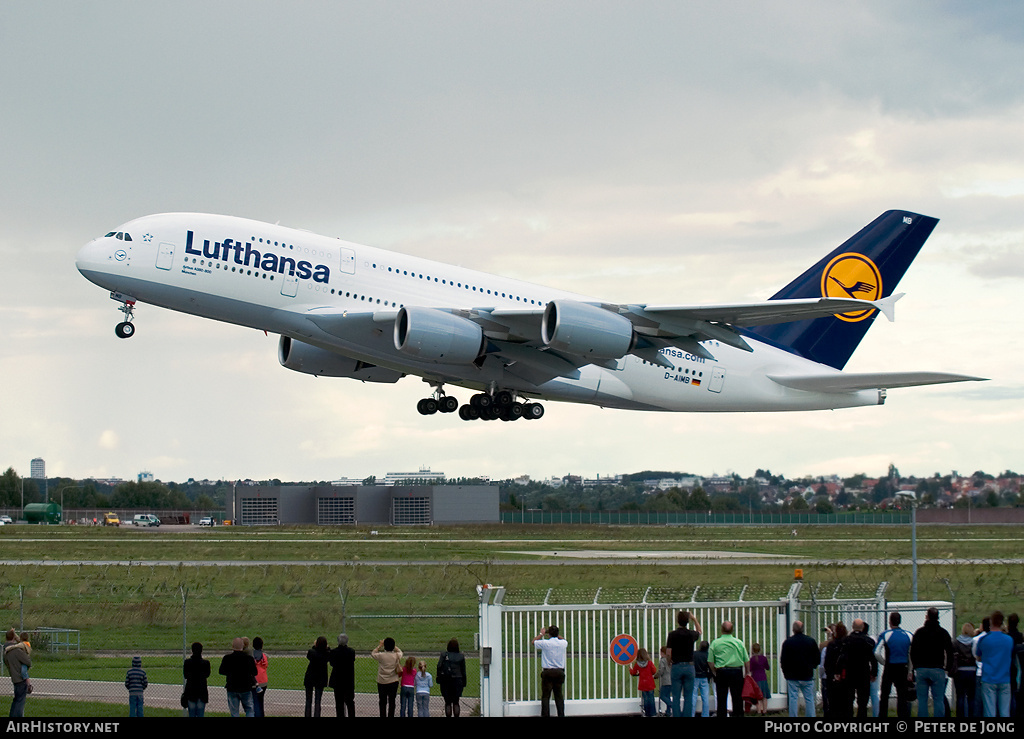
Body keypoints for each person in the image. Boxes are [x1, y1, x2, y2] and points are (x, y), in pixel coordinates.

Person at [910, 606, 954, 717]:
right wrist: (947, 668)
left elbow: (913, 651)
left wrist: (915, 666)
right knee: (938, 699)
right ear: (937, 617)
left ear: (927, 617)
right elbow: (950, 651)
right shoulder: (943, 633)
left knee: (922, 700)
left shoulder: (919, 632)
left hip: (922, 669)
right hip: (938, 669)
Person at [974, 610, 1015, 717]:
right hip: (1005, 678)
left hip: (989, 678)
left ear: (991, 622)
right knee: (1005, 711)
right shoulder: (1009, 640)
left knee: (989, 711)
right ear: (1002, 622)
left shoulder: (984, 640)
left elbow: (978, 657)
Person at [707, 620, 749, 718]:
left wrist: (714, 671)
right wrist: (747, 673)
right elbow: (746, 660)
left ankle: (722, 715)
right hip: (737, 671)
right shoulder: (739, 643)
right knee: (737, 698)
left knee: (721, 698)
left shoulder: (715, 643)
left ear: (721, 630)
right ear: (732, 630)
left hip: (722, 671)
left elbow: (710, 661)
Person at [666, 610, 702, 717]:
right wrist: (694, 619)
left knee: (676, 696)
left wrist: (669, 661)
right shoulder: (691, 634)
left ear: (678, 621)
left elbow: (668, 652)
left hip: (676, 666)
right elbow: (699, 631)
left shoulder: (672, 635)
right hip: (689, 666)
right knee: (688, 696)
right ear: (687, 621)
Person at [877, 611, 912, 718]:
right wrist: (910, 671)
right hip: (903, 667)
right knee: (902, 695)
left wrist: (884, 662)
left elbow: (876, 652)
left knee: (885, 695)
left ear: (890, 622)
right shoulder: (909, 635)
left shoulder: (885, 634)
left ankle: (882, 716)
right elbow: (911, 655)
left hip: (890, 666)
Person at [780, 620, 818, 717]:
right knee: (809, 698)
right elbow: (817, 657)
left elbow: (783, 659)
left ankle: (793, 715)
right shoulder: (811, 641)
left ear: (793, 629)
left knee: (793, 698)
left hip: (792, 675)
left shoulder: (788, 642)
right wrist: (813, 666)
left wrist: (785, 672)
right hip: (807, 674)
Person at [844, 619, 877, 718]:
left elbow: (842, 657)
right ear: (863, 627)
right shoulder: (868, 641)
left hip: (850, 672)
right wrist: (874, 672)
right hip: (864, 672)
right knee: (863, 700)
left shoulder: (846, 640)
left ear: (852, 627)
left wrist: (838, 671)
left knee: (849, 698)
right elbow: (873, 658)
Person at [533, 625, 568, 717]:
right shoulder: (562, 643)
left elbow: (534, 642)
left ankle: (545, 715)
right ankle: (561, 714)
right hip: (559, 672)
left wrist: (541, 634)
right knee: (559, 696)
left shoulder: (545, 643)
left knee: (545, 696)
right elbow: (564, 639)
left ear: (549, 634)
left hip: (547, 672)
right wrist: (556, 635)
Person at [219, 637, 258, 717]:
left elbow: (221, 671)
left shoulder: (227, 658)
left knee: (234, 712)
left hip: (232, 688)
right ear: (243, 646)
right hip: (246, 687)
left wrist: (230, 673)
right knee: (249, 709)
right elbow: (255, 672)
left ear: (233, 646)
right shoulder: (249, 658)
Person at [823, 622, 851, 717]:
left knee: (833, 704)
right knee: (847, 705)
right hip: (846, 678)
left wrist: (831, 675)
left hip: (833, 679)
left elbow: (827, 663)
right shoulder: (848, 644)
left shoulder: (831, 645)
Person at [372, 637, 403, 717]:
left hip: (382, 681)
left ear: (385, 646)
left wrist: (380, 646)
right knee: (392, 701)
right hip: (393, 681)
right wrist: (394, 646)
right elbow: (400, 651)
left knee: (382, 701)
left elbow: (373, 653)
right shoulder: (396, 655)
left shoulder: (381, 656)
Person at [4, 629, 31, 718]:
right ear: (13, 638)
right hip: (20, 678)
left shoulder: (5, 651)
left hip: (14, 678)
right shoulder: (16, 650)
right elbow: (27, 661)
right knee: (20, 702)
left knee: (15, 701)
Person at [437, 638, 467, 717]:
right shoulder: (461, 656)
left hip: (446, 680)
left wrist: (439, 678)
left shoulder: (444, 655)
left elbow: (439, 666)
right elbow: (463, 670)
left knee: (447, 703)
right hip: (458, 680)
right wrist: (464, 682)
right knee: (456, 702)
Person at [329, 633, 356, 717]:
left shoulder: (334, 652)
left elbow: (332, 663)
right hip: (348, 680)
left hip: (337, 681)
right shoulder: (351, 651)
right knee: (350, 702)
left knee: (339, 703)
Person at [953, 622, 978, 717]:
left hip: (959, 671)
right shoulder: (974, 642)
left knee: (960, 696)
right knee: (971, 697)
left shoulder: (956, 642)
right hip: (972, 671)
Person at [183, 642, 211, 718]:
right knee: (201, 714)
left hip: (190, 691)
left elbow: (185, 676)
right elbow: (207, 674)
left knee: (191, 714)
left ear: (192, 650)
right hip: (202, 691)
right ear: (201, 651)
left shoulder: (187, 662)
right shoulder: (206, 663)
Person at [304, 635, 330, 718]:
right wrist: (326, 647)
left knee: (308, 700)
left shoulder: (312, 652)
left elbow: (309, 654)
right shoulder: (326, 654)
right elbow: (329, 652)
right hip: (321, 678)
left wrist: (315, 646)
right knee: (318, 701)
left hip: (310, 677)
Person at [629, 647, 657, 717]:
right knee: (651, 698)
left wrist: (630, 669)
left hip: (643, 684)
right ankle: (653, 713)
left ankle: (647, 713)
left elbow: (633, 672)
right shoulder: (650, 663)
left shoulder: (637, 664)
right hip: (650, 683)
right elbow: (654, 671)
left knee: (646, 699)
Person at [749, 643, 770, 716]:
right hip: (763, 678)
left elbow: (750, 669)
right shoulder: (763, 658)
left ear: (752, 650)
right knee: (764, 696)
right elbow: (767, 667)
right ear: (760, 650)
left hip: (755, 679)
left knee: (757, 696)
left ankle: (758, 711)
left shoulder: (752, 659)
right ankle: (765, 711)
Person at [694, 639, 712, 717]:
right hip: (704, 677)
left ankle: (691, 714)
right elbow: (710, 667)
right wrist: (709, 676)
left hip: (695, 676)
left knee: (693, 697)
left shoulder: (694, 654)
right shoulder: (708, 655)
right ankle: (705, 715)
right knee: (705, 698)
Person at [251, 636, 268, 717]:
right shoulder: (263, 656)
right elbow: (266, 665)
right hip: (263, 681)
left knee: (255, 702)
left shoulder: (251, 656)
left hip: (255, 680)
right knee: (261, 702)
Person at [656, 646, 673, 716]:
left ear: (662, 653)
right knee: (668, 696)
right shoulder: (671, 660)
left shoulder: (663, 660)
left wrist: (656, 675)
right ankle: (668, 712)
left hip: (665, 681)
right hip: (671, 680)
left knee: (662, 696)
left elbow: (661, 670)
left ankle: (672, 705)